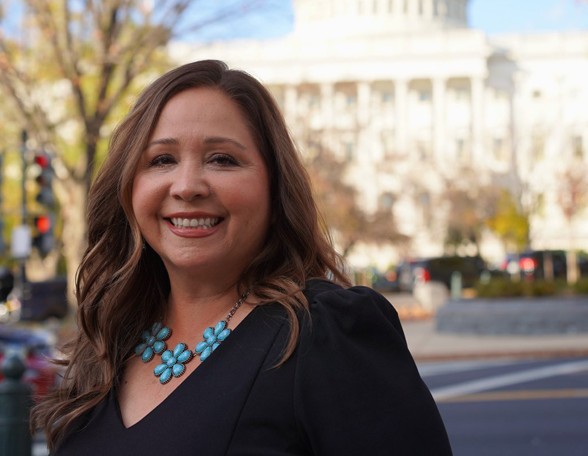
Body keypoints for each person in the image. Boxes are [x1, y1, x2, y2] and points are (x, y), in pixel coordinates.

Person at [32, 60, 453, 455]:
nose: (187, 186)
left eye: (222, 159)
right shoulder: (106, 343)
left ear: (274, 188)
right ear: (128, 189)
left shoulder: (324, 332)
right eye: (162, 160)